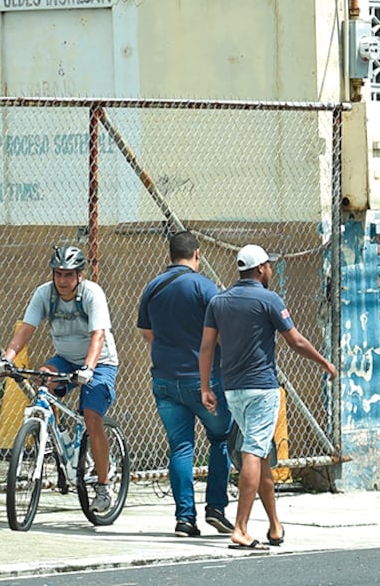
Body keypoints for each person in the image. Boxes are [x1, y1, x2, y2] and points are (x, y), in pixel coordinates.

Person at [199, 244, 336, 551]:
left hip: (233, 390)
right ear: (260, 268)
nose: (271, 270)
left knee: (259, 456)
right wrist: (324, 362)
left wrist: (206, 387)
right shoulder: (269, 299)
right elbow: (296, 341)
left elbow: (207, 347)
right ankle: (241, 528)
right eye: (269, 266)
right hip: (262, 389)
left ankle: (275, 526)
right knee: (253, 452)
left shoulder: (218, 302)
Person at [0, 243, 120, 514]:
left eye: (68, 274)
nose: (62, 280)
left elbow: (98, 335)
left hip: (99, 362)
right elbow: (26, 329)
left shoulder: (91, 294)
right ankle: (57, 437)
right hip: (65, 358)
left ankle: (103, 484)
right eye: (58, 274)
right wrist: (8, 358)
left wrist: (88, 368)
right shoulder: (45, 294)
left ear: (80, 275)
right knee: (45, 379)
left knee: (91, 417)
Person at [137, 229, 234, 538]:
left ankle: (184, 519)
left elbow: (147, 332)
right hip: (203, 381)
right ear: (197, 254)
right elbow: (223, 333)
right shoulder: (205, 287)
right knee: (220, 438)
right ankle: (216, 508)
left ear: (169, 256)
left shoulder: (153, 287)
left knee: (180, 447)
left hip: (165, 379)